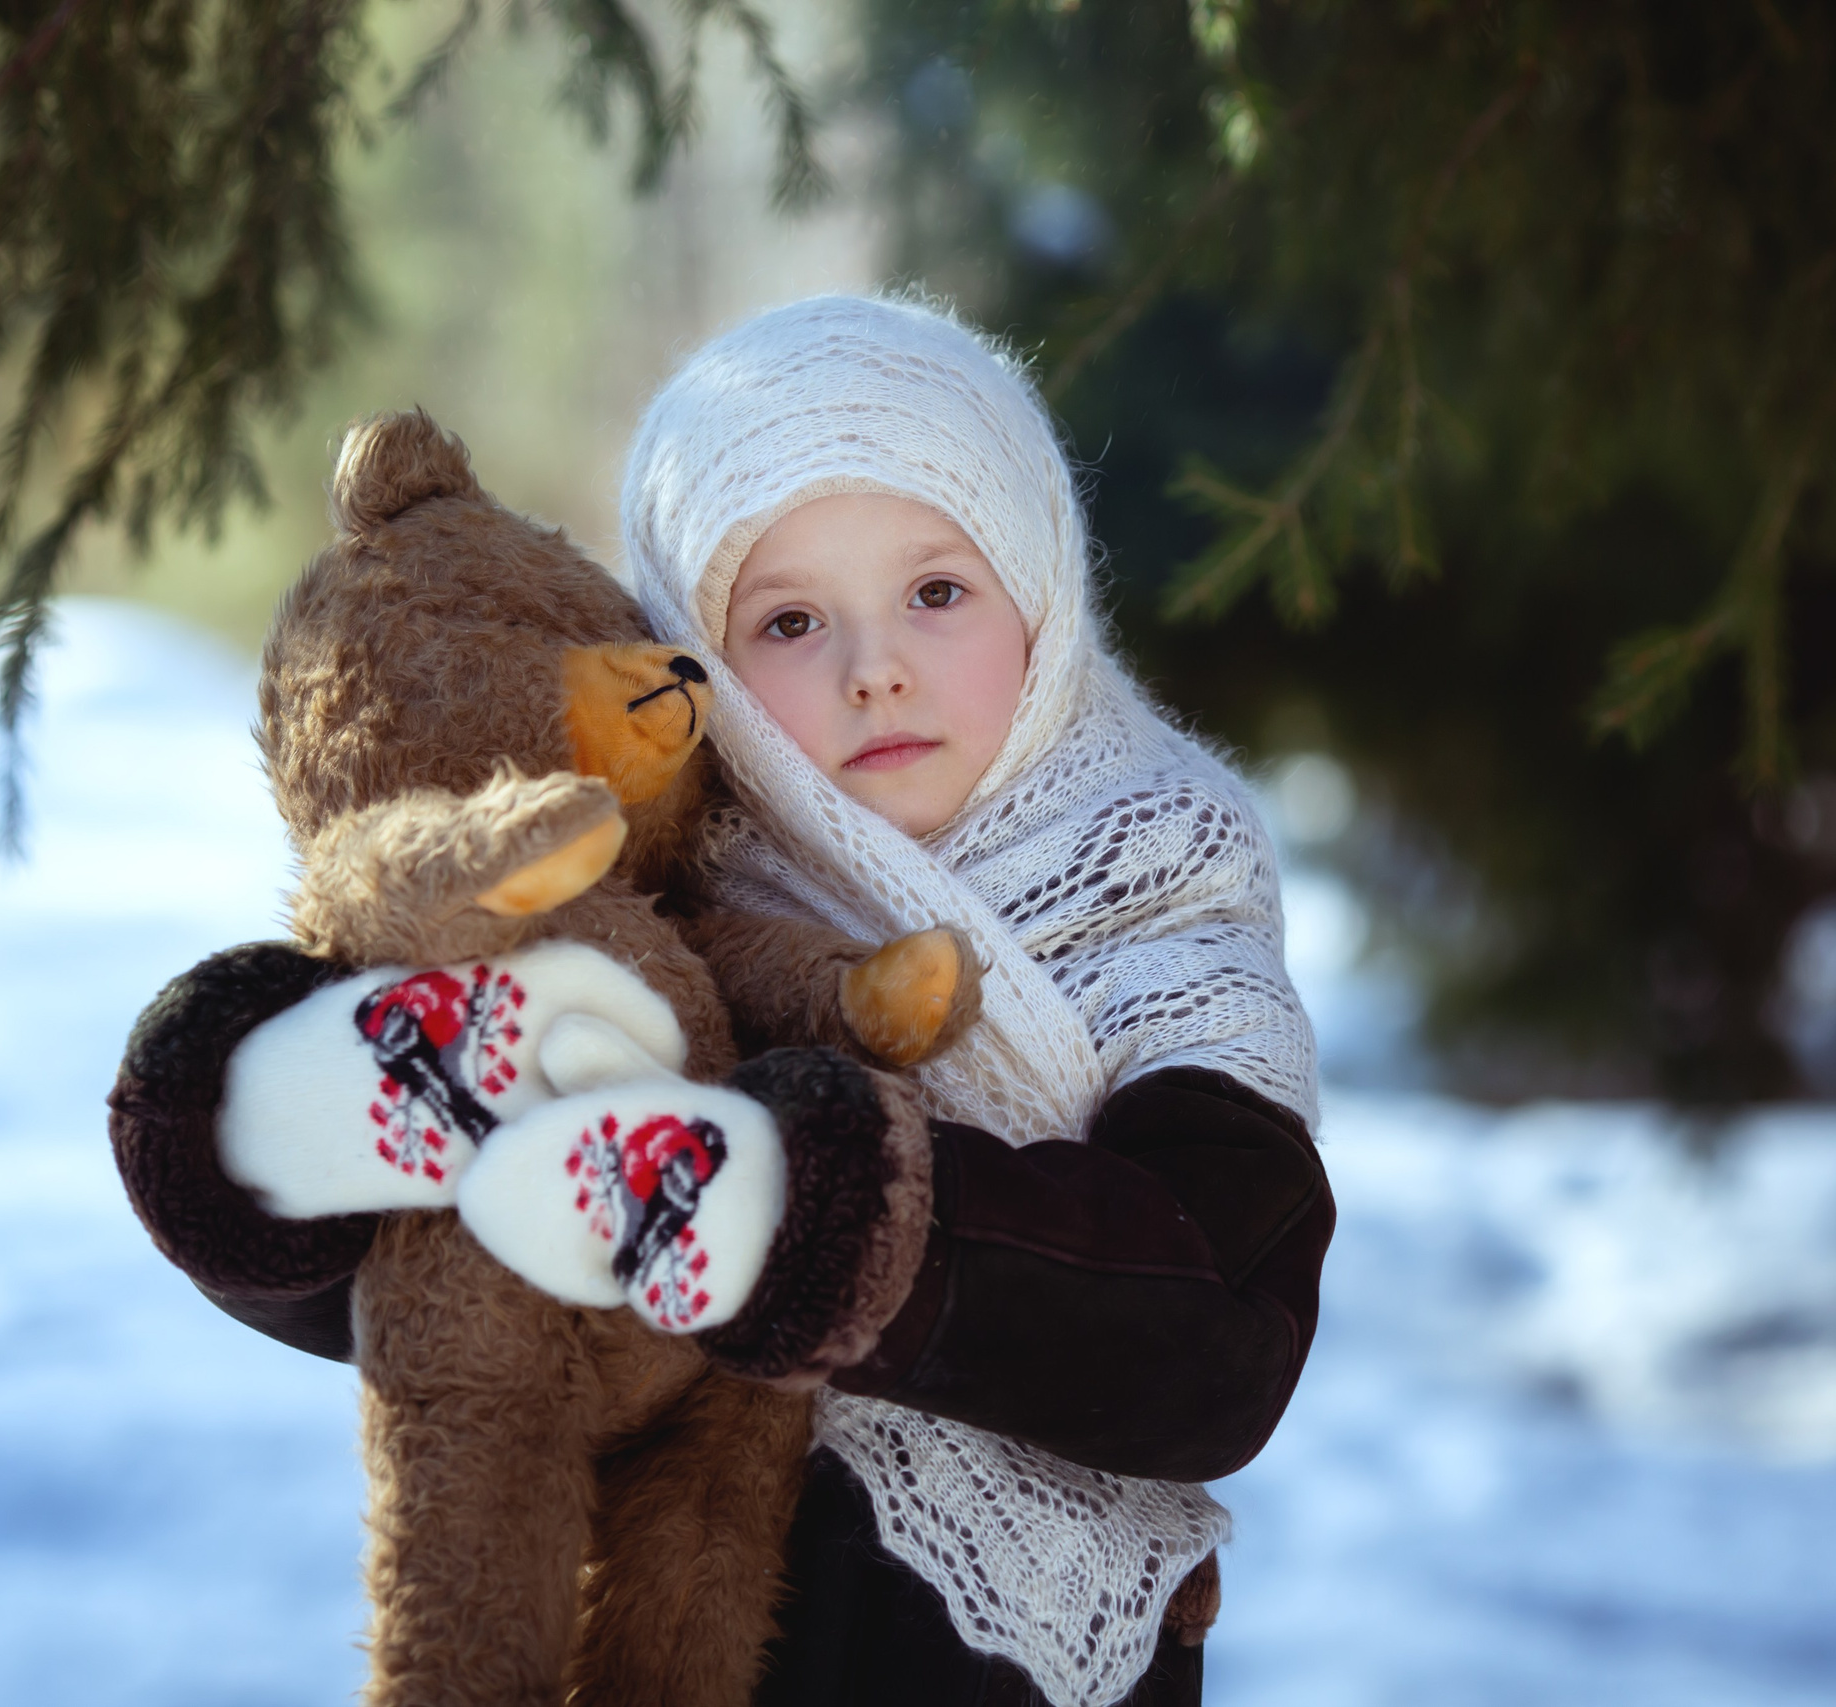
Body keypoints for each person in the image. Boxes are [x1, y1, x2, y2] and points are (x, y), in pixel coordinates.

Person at [111, 295, 1331, 1707]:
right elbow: (447, 1296)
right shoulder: (658, 893)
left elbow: (1220, 1323)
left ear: (1042, 592)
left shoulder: (1163, 888)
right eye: (790, 620)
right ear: (700, 650)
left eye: (938, 593)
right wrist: (280, 1132)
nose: (874, 668)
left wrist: (802, 1218)